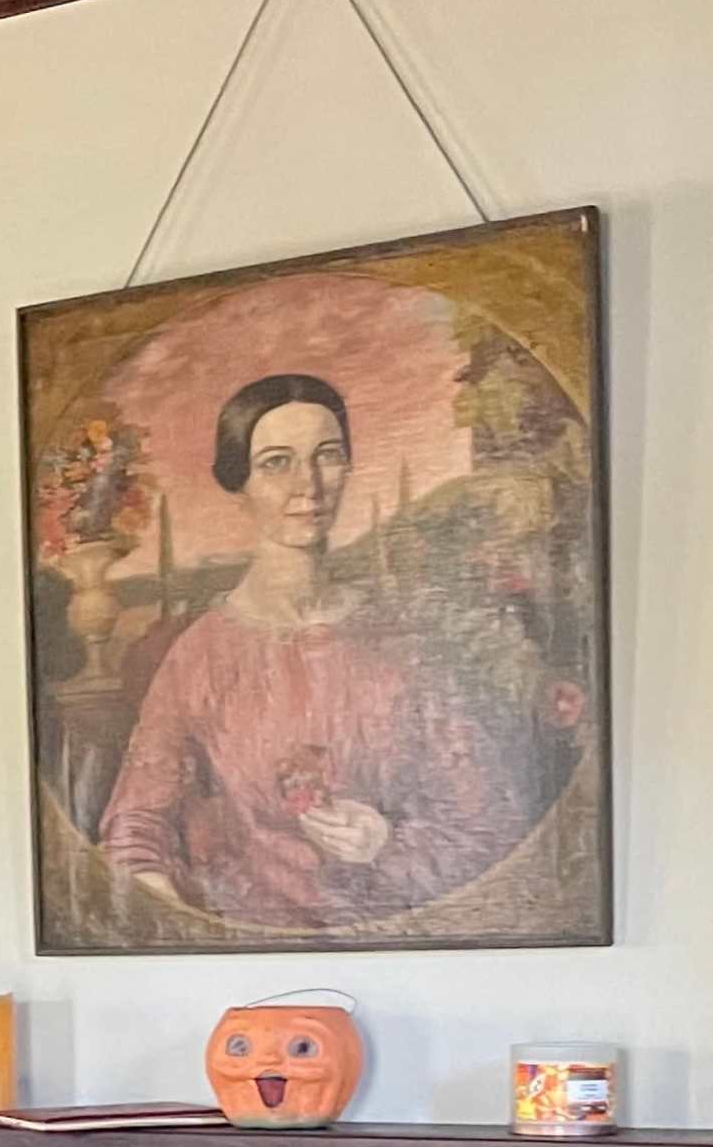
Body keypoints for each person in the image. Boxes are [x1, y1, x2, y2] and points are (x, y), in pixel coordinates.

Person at [96, 373, 535, 930]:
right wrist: (190, 930)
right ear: (239, 485)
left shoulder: (403, 643)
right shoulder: (201, 654)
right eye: (277, 462)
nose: (309, 484)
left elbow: (489, 824)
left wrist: (387, 841)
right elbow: (136, 829)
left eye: (326, 456)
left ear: (348, 467)